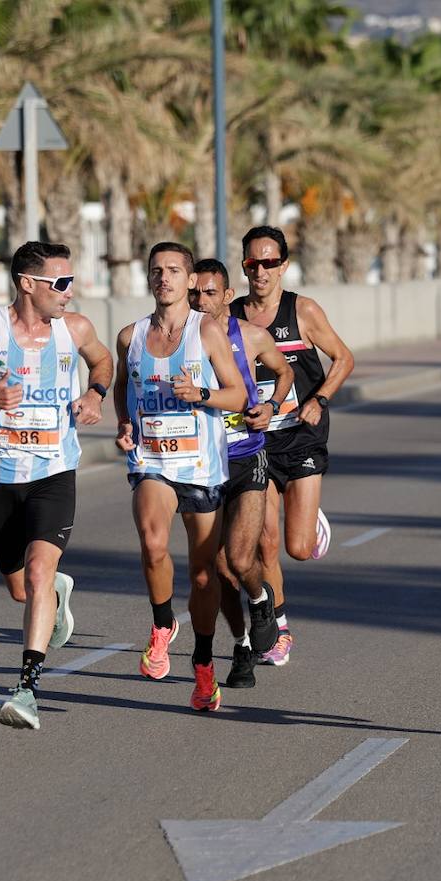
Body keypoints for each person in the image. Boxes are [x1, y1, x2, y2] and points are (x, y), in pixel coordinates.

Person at [0, 241, 113, 730]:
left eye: (71, 281)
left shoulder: (75, 329)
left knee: (36, 576)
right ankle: (57, 593)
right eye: (61, 283)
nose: (69, 292)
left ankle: (26, 689)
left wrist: (95, 394)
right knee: (21, 589)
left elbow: (103, 361)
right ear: (28, 284)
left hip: (54, 471)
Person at [115, 242, 250, 712]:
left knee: (202, 572)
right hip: (151, 460)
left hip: (201, 466)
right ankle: (160, 625)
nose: (164, 278)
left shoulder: (206, 331)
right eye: (156, 270)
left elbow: (238, 397)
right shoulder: (130, 336)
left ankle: (204, 664)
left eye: (174, 270)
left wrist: (201, 393)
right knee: (153, 543)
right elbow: (122, 389)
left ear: (191, 280)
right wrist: (126, 425)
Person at [231, 226, 356, 667]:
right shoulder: (231, 319)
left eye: (269, 262)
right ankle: (279, 627)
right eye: (252, 263)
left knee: (296, 548)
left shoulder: (301, 311)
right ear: (244, 266)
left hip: (301, 436)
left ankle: (310, 518)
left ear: (283, 265)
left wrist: (319, 399)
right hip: (256, 443)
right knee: (264, 542)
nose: (261, 271)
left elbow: (344, 358)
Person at [189, 258, 295, 689]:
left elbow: (285, 371)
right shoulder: (178, 339)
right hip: (201, 462)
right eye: (195, 292)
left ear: (228, 296)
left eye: (210, 293)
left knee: (238, 557)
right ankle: (243, 645)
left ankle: (261, 597)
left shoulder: (249, 335)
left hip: (247, 455)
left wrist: (270, 407)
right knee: (216, 568)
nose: (201, 301)